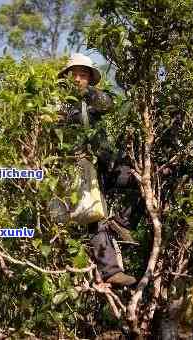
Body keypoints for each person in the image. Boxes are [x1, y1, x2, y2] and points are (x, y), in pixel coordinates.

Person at [57, 53, 139, 286]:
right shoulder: (60, 105)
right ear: (66, 78)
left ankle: (122, 222)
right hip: (82, 168)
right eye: (74, 75)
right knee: (95, 217)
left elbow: (109, 104)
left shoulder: (93, 101)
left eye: (83, 75)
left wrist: (88, 93)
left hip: (106, 164)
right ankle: (110, 271)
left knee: (142, 182)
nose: (78, 79)